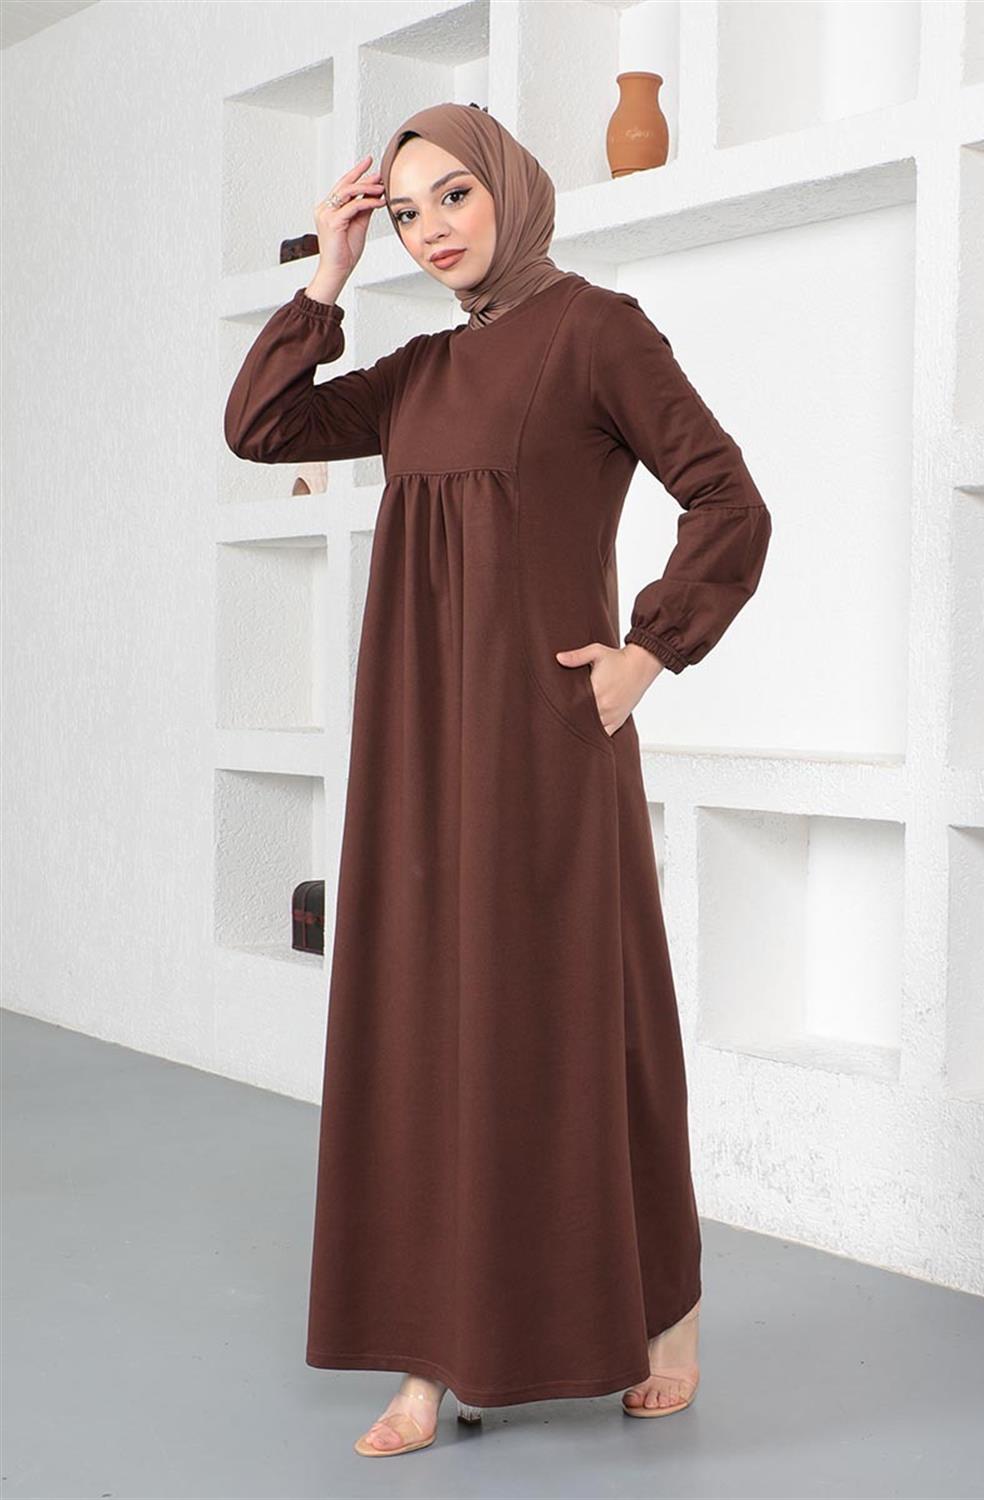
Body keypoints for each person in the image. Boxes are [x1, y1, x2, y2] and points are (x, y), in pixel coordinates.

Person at [224, 101, 772, 1460]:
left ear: (511, 187)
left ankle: (665, 1314)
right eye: (408, 212)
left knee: (586, 1027)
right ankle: (432, 1351)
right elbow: (261, 427)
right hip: (416, 751)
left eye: (454, 195)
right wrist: (329, 272)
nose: (433, 230)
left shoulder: (598, 331)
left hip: (547, 745)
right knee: (421, 1027)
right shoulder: (416, 372)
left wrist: (650, 651)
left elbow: (728, 497)